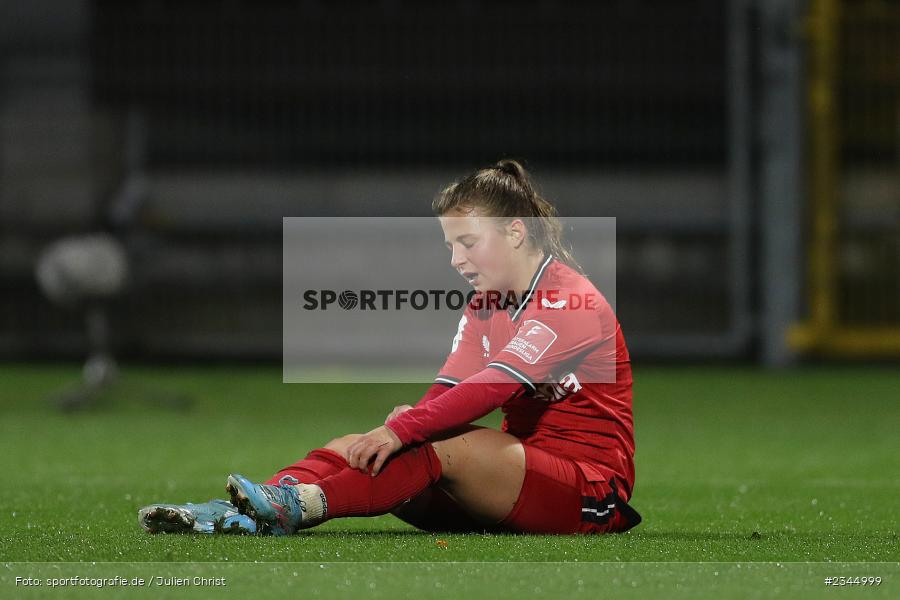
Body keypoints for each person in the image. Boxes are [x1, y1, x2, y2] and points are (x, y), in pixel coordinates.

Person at [139, 160, 640, 536]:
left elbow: (493, 387)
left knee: (431, 447)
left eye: (467, 242)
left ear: (515, 232)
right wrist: (396, 431)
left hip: (590, 492)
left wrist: (404, 430)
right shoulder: (486, 305)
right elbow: (448, 388)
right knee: (356, 446)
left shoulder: (569, 300)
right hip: (512, 482)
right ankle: (245, 509)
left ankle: (299, 507)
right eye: (449, 246)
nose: (456, 259)